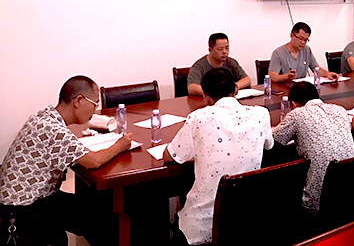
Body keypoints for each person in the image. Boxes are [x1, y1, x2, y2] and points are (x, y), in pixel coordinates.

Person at [0, 76, 133, 245]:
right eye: (95, 103)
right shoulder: (52, 130)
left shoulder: (44, 116)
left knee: (93, 210)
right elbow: (93, 161)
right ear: (78, 101)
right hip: (23, 212)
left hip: (35, 200)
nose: (95, 110)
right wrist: (120, 146)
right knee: (98, 217)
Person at [165, 68, 274, 246]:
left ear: (205, 97)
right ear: (236, 90)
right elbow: (269, 145)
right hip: (246, 222)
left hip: (201, 229)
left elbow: (170, 156)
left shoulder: (198, 118)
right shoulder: (261, 114)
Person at [271, 82, 354, 215]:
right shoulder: (340, 110)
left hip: (318, 201)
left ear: (293, 104)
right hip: (351, 191)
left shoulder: (297, 114)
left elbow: (273, 141)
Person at [268, 22, 339, 83]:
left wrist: (328, 74)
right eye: (300, 38)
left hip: (301, 88)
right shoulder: (278, 53)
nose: (302, 42)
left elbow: (316, 69)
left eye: (305, 40)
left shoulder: (307, 50)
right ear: (291, 35)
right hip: (284, 88)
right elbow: (272, 76)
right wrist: (287, 76)